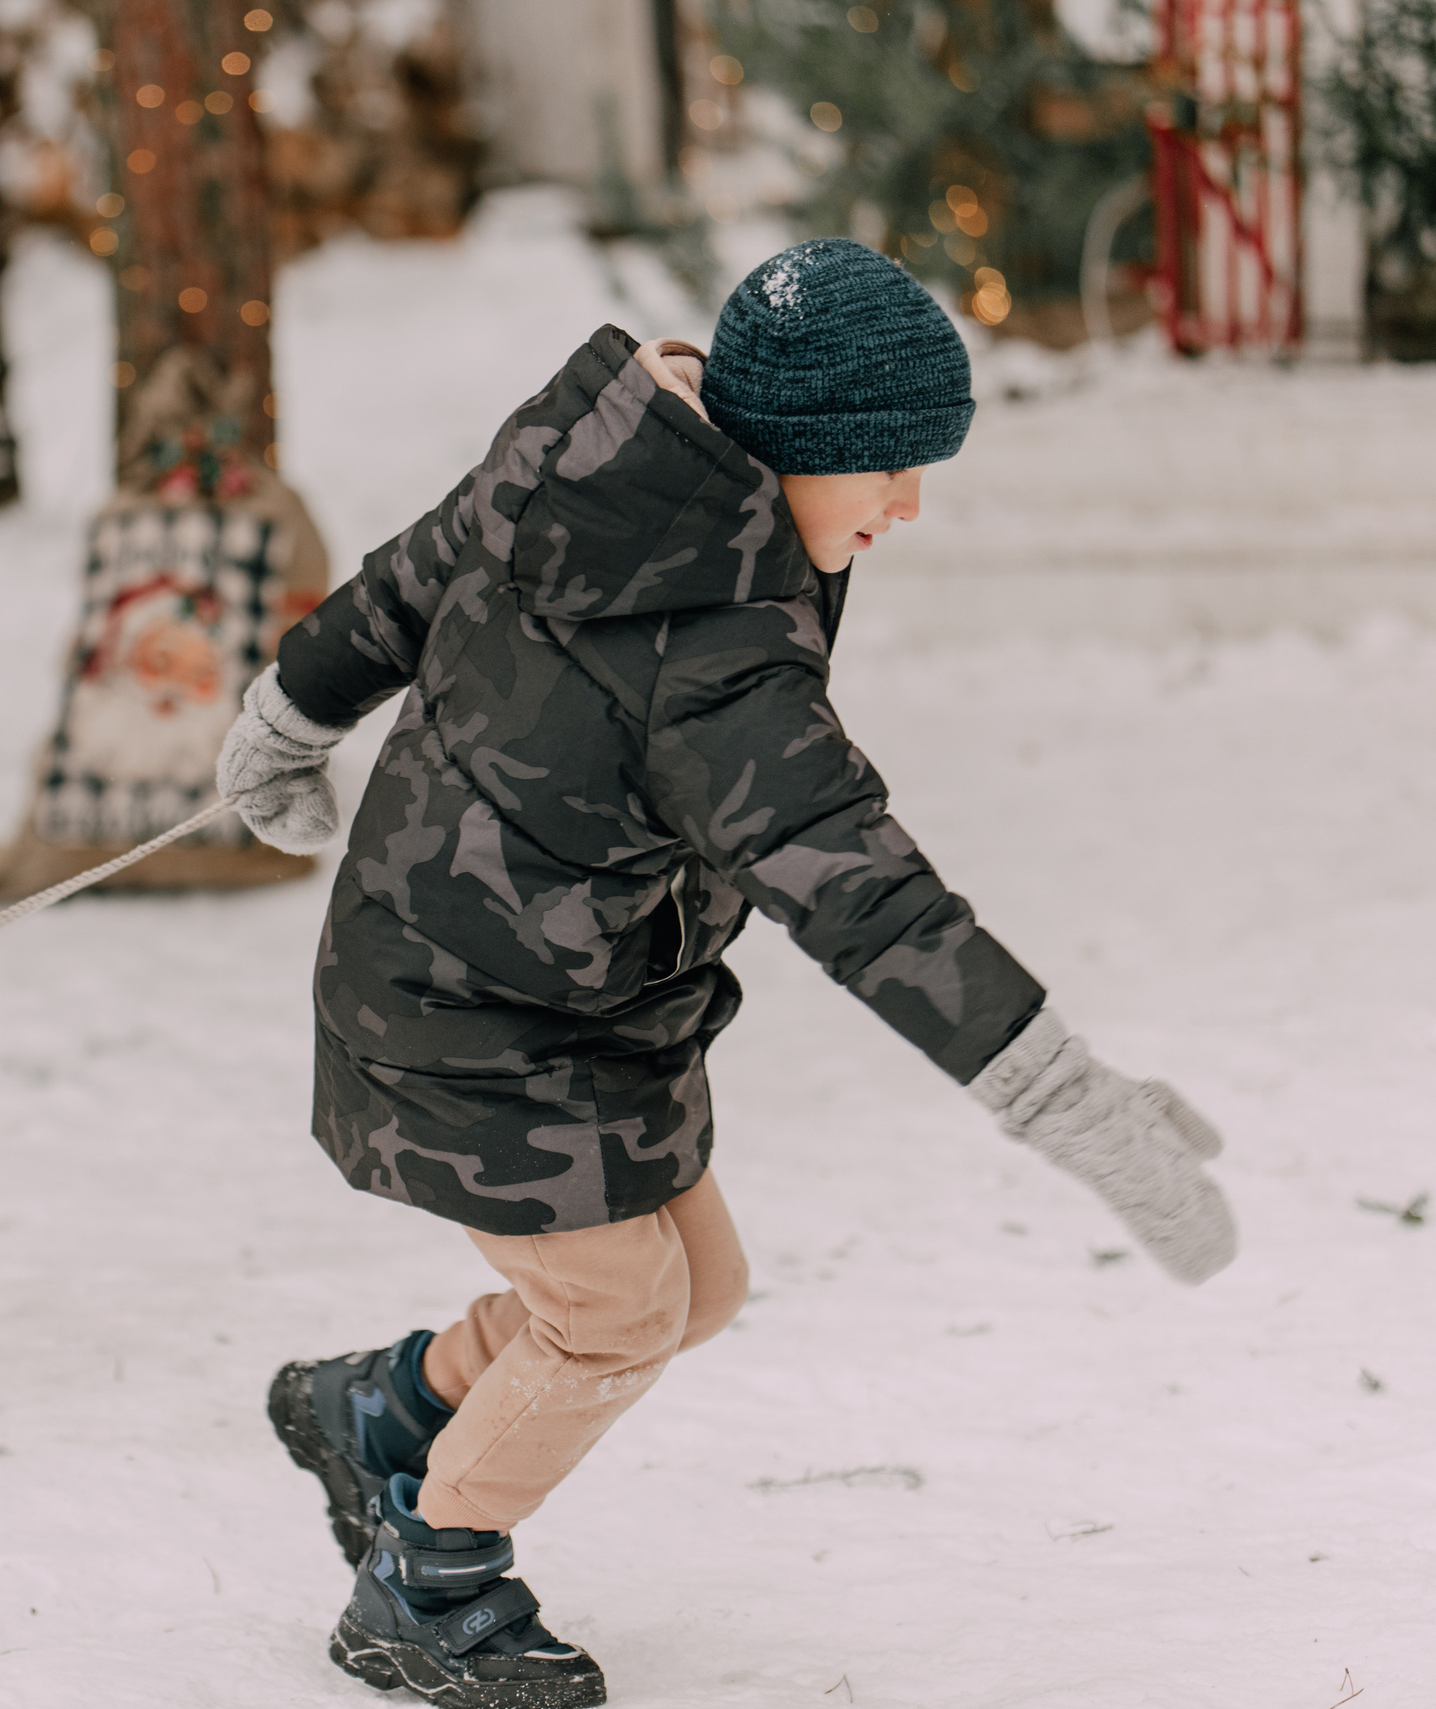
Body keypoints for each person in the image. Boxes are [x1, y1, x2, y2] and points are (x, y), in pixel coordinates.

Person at [214, 240, 1238, 1708]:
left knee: (700, 1287)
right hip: (463, 1010)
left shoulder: (614, 458)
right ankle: (425, 1584)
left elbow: (411, 578)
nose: (908, 506)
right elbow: (869, 899)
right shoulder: (709, 649)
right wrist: (1064, 1097)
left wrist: (289, 712)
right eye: (885, 468)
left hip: (577, 994)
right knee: (616, 1310)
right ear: (795, 447)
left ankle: (382, 1404)